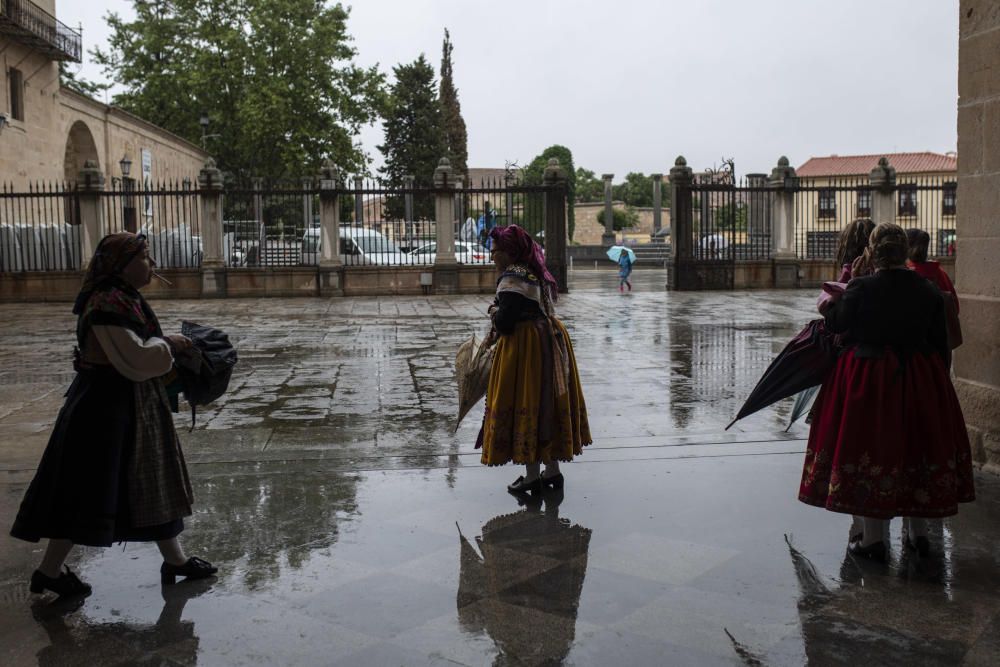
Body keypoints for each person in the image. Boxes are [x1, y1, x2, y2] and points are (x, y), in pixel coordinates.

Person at [10, 232, 217, 597]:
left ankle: (176, 560)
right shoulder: (107, 303)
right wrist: (169, 343)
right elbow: (135, 360)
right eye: (144, 257)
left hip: (128, 405)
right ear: (122, 264)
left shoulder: (123, 298)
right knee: (89, 491)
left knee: (150, 482)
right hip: (105, 411)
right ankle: (50, 570)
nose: (151, 264)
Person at [798, 223, 975, 562]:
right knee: (917, 448)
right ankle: (917, 534)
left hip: (869, 375)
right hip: (920, 376)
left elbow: (837, 324)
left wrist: (829, 304)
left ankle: (873, 539)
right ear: (903, 253)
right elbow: (940, 343)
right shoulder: (928, 290)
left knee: (871, 448)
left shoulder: (861, 287)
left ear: (873, 252)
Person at [478, 225, 591, 494]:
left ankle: (531, 477)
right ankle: (552, 471)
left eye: (495, 252)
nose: (492, 256)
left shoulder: (512, 279)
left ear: (508, 253)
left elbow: (505, 323)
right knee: (545, 403)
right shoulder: (531, 272)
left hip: (525, 349)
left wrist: (493, 310)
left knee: (525, 402)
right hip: (547, 341)